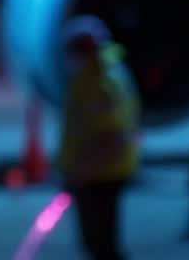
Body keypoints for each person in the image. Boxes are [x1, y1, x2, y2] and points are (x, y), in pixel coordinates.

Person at [56, 15, 141, 260]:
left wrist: (81, 171)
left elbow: (112, 135)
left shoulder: (99, 82)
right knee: (100, 242)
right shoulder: (108, 73)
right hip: (102, 171)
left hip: (99, 174)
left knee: (100, 243)